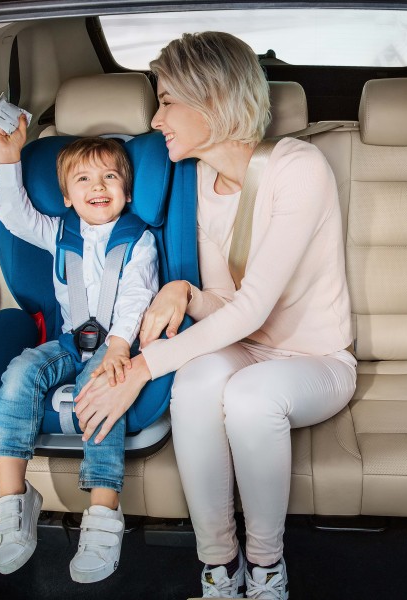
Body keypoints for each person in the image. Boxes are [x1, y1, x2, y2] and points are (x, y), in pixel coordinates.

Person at [74, 32, 356, 599]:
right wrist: (184, 292)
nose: (155, 120)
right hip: (246, 348)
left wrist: (141, 368)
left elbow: (253, 308)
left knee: (250, 397)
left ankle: (267, 567)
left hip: (317, 360)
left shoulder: (299, 169)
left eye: (166, 101)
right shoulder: (198, 180)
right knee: (196, 384)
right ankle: (219, 567)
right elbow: (228, 302)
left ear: (213, 99)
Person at [0, 115, 158, 583]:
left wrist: (118, 349)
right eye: (83, 179)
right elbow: (12, 215)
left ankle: (102, 511)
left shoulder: (139, 239)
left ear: (126, 191)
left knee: (100, 392)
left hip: (115, 344)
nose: (97, 187)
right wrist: (10, 154)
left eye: (110, 177)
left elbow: (137, 296)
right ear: (66, 196)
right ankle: (14, 503)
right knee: (19, 374)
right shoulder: (58, 232)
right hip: (66, 341)